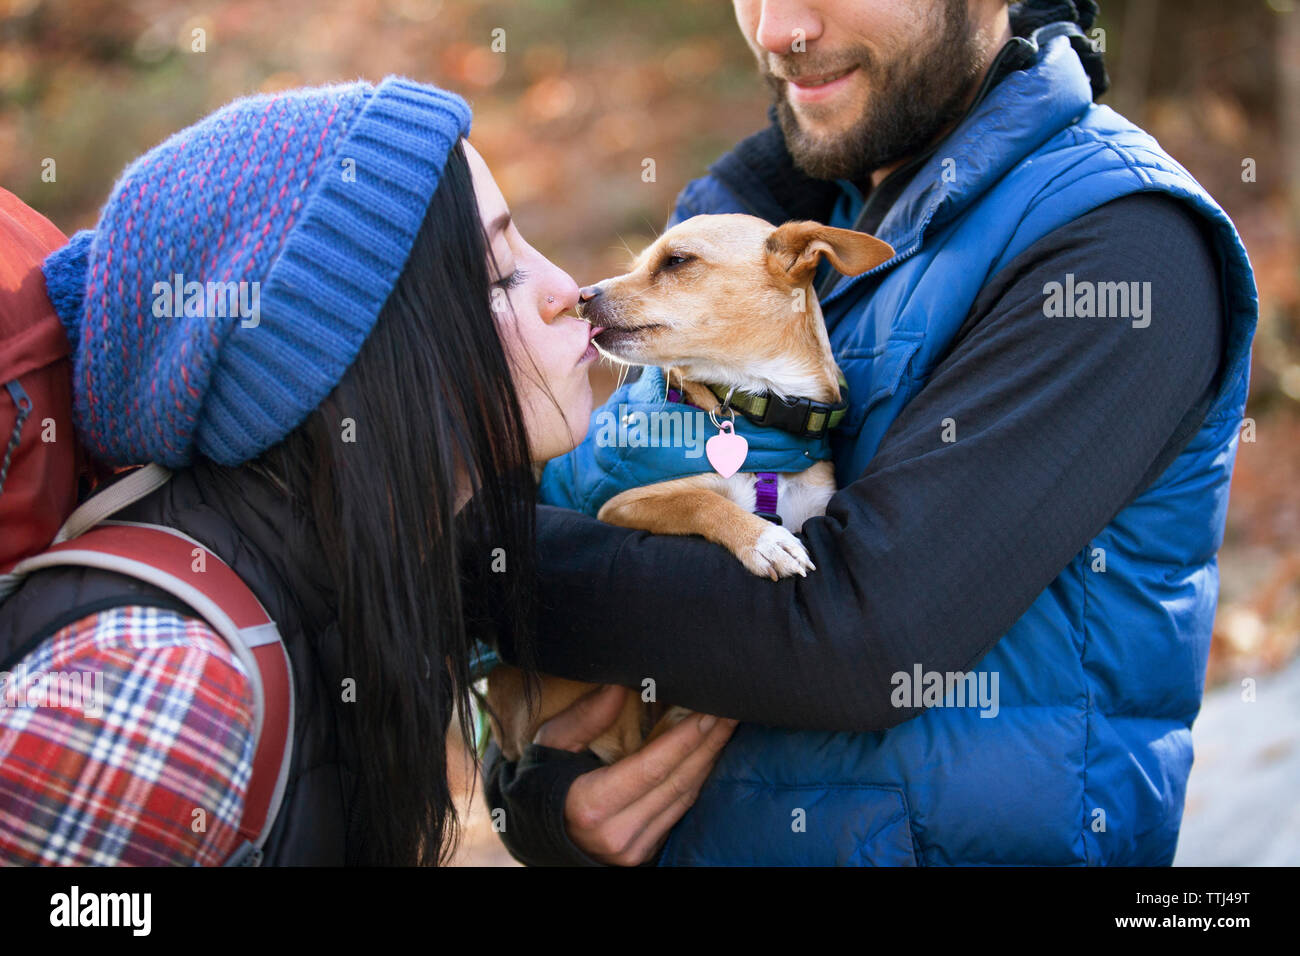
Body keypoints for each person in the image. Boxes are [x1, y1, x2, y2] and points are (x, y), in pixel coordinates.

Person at [486, 0, 1258, 865]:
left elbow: (860, 641)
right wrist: (546, 799)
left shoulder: (1117, 249)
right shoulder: (747, 222)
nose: (779, 27)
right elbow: (589, 649)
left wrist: (473, 568)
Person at [0, 76, 736, 866]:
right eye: (497, 276)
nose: (569, 291)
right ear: (339, 360)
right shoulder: (158, 693)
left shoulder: (365, 584)